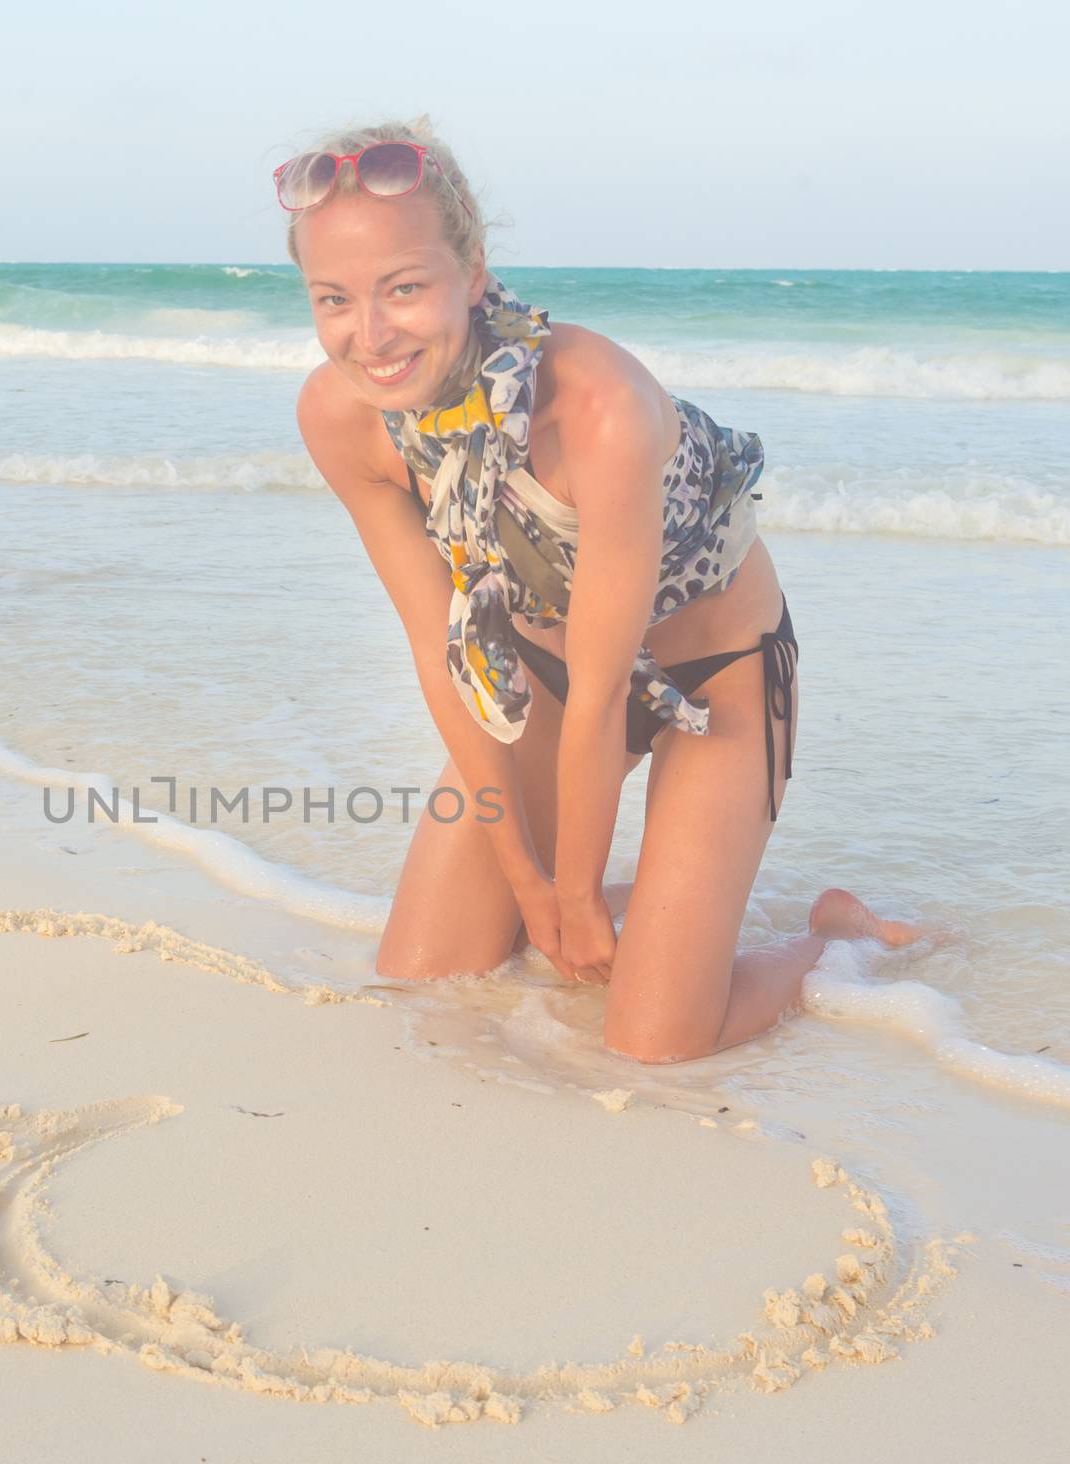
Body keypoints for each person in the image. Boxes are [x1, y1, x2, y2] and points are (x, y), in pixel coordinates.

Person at [283, 116, 922, 1065]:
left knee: (658, 1042)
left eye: (404, 288)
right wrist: (529, 886)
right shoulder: (341, 420)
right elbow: (442, 653)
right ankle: (665, 921)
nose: (369, 335)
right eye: (335, 298)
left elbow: (607, 676)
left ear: (473, 268)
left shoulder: (598, 408)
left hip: (719, 681)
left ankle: (834, 936)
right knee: (425, 973)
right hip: (543, 675)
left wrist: (573, 894)